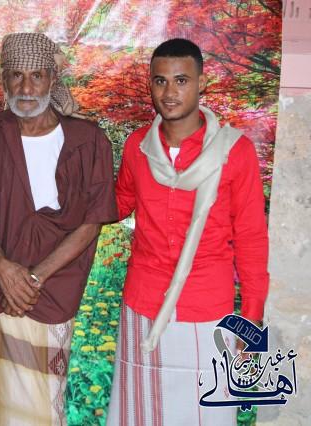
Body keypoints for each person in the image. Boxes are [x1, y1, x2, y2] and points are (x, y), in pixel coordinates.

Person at [106, 38, 269, 425]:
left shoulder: (234, 151)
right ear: (150, 84)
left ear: (201, 83)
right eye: (160, 81)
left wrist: (251, 321)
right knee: (141, 413)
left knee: (204, 414)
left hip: (206, 309)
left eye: (181, 80)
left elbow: (251, 240)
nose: (169, 92)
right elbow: (117, 204)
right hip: (143, 304)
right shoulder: (138, 147)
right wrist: (81, 158)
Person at [0, 32, 118, 425]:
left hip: (52, 294)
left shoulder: (88, 141)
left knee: (41, 407)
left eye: (36, 75)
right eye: (16, 76)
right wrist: (2, 266)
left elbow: (91, 223)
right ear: (4, 80)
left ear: (52, 78)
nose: (26, 88)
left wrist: (34, 279)